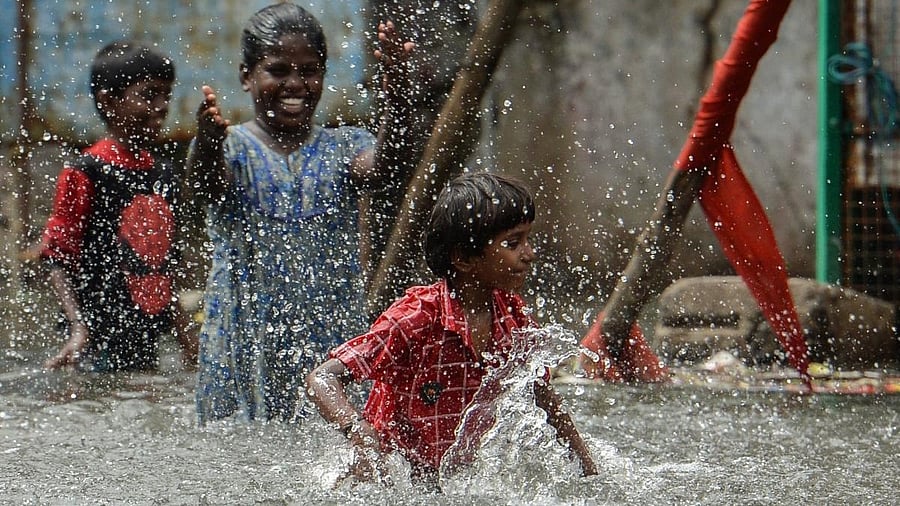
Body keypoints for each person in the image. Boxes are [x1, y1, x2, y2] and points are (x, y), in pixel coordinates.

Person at [187, 3, 414, 423]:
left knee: (336, 449)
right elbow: (204, 187)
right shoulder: (231, 148)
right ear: (246, 76)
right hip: (243, 342)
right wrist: (205, 143)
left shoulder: (345, 147)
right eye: (278, 70)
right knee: (236, 451)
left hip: (329, 336)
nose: (296, 83)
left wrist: (398, 100)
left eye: (309, 71)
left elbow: (386, 168)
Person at [307, 172, 598, 485]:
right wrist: (357, 430)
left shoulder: (515, 319)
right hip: (390, 481)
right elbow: (322, 377)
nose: (530, 254)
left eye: (528, 240)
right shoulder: (415, 319)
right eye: (513, 244)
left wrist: (589, 471)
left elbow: (541, 393)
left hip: (455, 481)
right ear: (463, 258)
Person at [39, 41, 197, 372]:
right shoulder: (85, 173)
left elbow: (163, 264)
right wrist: (78, 325)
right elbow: (57, 258)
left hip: (147, 336)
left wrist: (187, 338)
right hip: (95, 342)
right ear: (109, 101)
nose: (162, 106)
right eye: (149, 95)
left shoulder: (163, 173)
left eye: (166, 95)